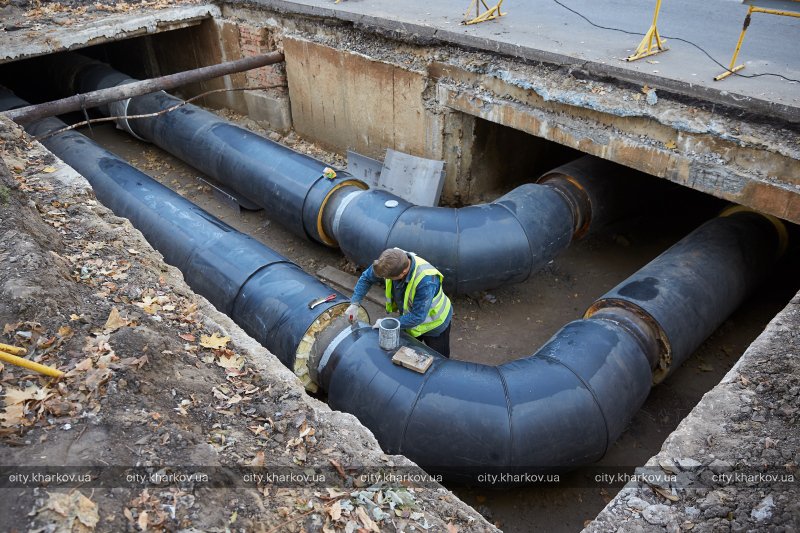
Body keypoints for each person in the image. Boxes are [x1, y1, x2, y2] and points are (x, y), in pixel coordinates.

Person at [345, 248, 453, 358]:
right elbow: (367, 278)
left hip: (434, 324)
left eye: (388, 278)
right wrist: (355, 303)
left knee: (439, 360)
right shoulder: (390, 260)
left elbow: (417, 317)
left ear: (403, 272)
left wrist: (389, 323)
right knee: (409, 356)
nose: (385, 279)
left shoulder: (426, 281)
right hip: (410, 320)